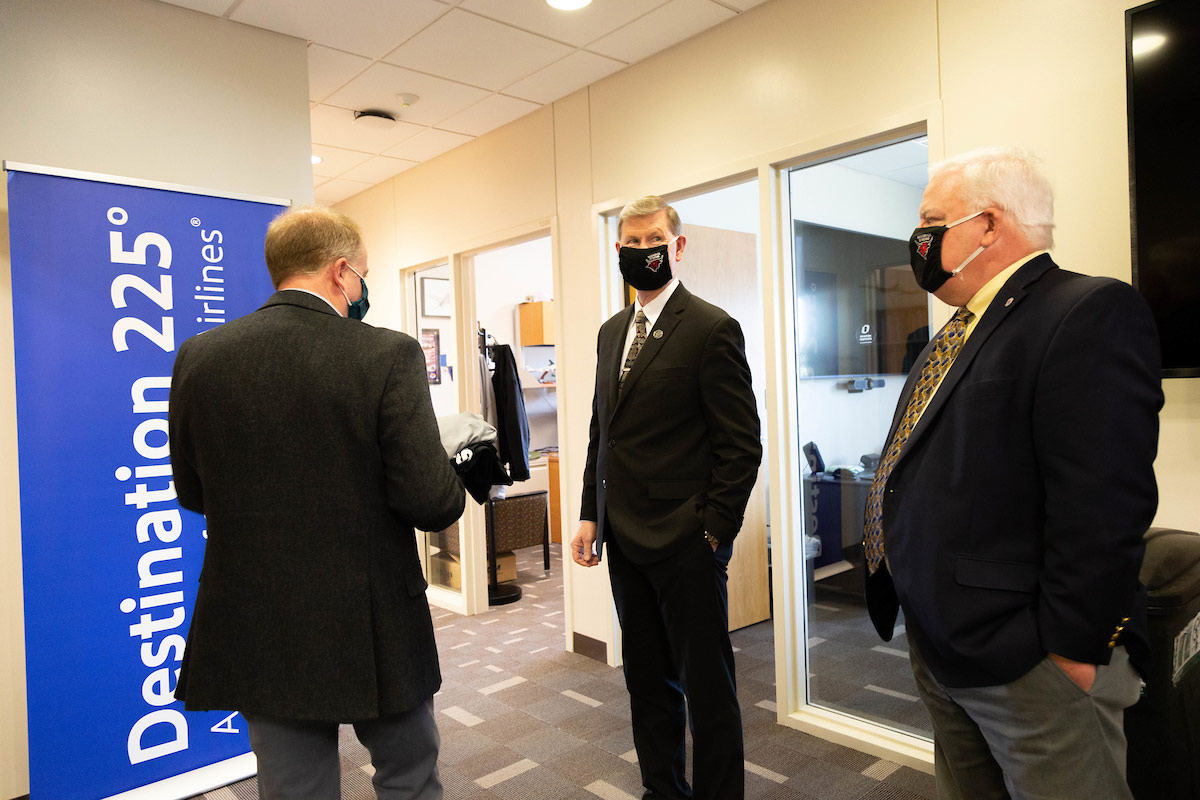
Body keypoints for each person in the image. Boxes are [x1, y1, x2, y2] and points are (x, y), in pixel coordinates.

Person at [864, 147, 1162, 799]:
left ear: (991, 225)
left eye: (933, 220)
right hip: (941, 639)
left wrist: (1071, 656)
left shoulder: (1085, 311)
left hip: (1030, 661)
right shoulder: (949, 336)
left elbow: (1106, 504)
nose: (920, 239)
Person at [169, 206, 465, 799]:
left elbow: (193, 491)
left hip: (260, 614)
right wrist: (453, 469)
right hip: (373, 614)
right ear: (340, 272)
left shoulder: (198, 357)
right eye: (364, 275)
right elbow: (430, 501)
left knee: (293, 789)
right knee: (409, 777)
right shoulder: (387, 355)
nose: (363, 288)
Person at [571, 195, 762, 800]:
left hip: (687, 545)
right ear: (619, 251)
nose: (641, 251)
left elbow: (741, 446)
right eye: (630, 243)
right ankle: (663, 791)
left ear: (677, 247)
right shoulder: (609, 334)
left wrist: (713, 532)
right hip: (624, 542)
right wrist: (587, 514)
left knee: (708, 692)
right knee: (647, 684)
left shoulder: (710, 328)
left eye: (653, 240)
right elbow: (604, 431)